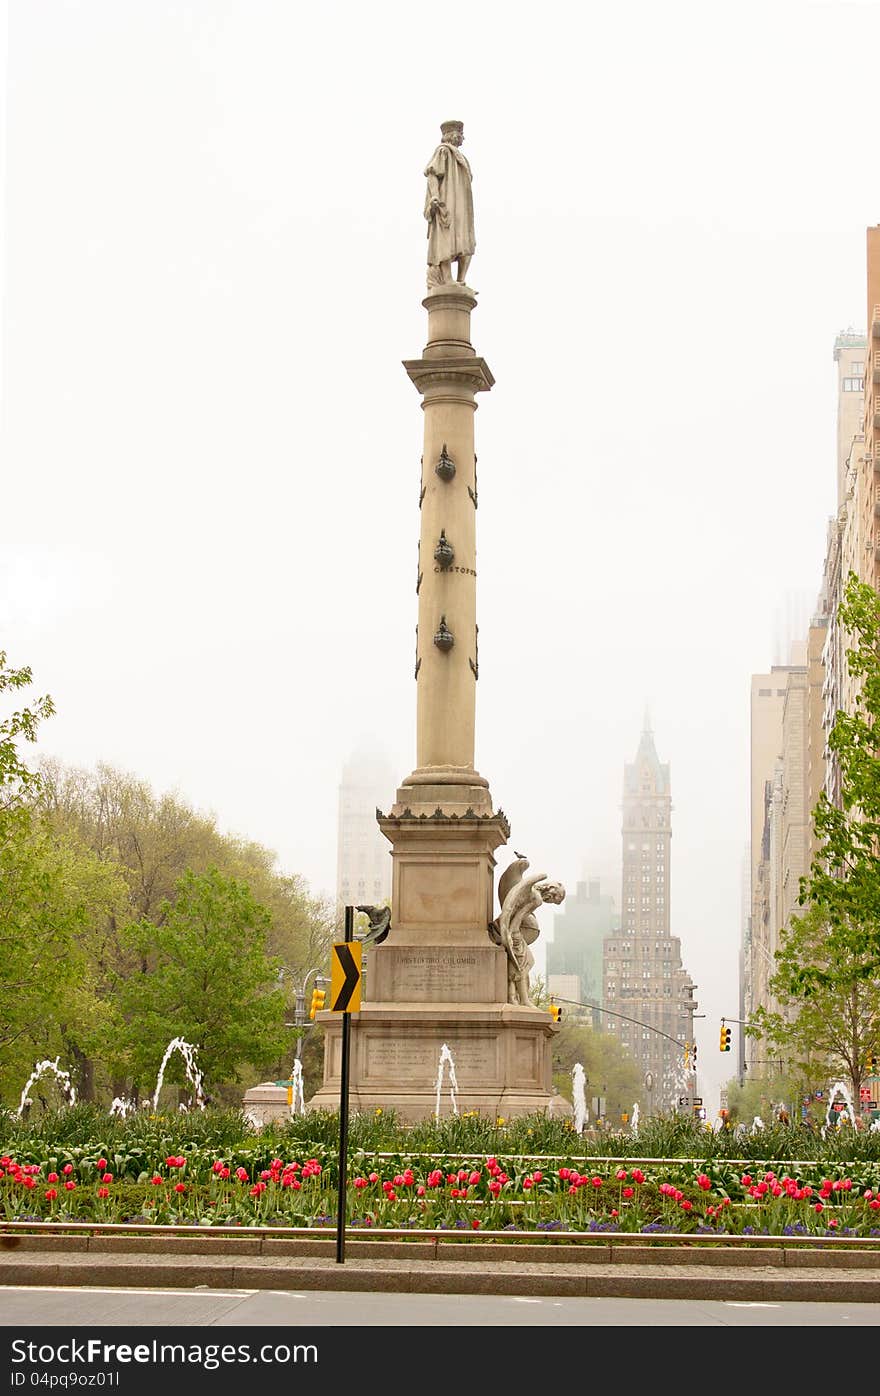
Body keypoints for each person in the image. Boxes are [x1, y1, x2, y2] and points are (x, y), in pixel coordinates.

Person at [424, 120, 475, 288]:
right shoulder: (443, 151)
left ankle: (461, 279)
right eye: (460, 134)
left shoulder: (461, 158)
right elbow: (432, 174)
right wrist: (435, 197)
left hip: (462, 206)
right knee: (446, 239)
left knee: (467, 242)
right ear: (452, 134)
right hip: (448, 203)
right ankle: (447, 279)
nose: (463, 138)